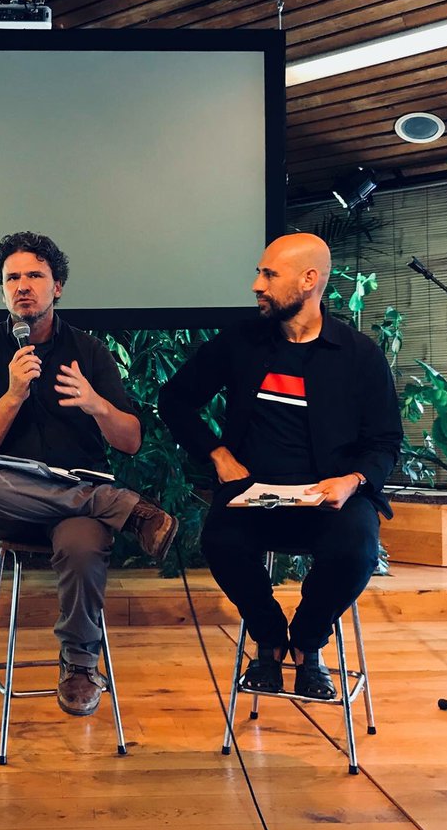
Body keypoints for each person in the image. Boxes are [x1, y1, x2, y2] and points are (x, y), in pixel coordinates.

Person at [158, 233, 402, 699]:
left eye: (269, 275)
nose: (257, 285)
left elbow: (386, 440)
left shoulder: (358, 354)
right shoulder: (241, 342)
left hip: (330, 497)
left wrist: (353, 481)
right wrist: (217, 454)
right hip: (254, 492)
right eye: (259, 273)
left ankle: (308, 643)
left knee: (357, 550)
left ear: (309, 280)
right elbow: (174, 399)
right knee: (220, 541)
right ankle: (268, 638)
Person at [0, 231, 178, 718]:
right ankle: (118, 506)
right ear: (1, 291)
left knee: (82, 544)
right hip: (13, 502)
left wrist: (96, 405)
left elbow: (131, 441)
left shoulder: (90, 352)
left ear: (58, 287)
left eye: (35, 275)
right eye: (12, 278)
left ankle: (80, 664)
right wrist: (12, 395)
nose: (22, 286)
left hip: (76, 503)